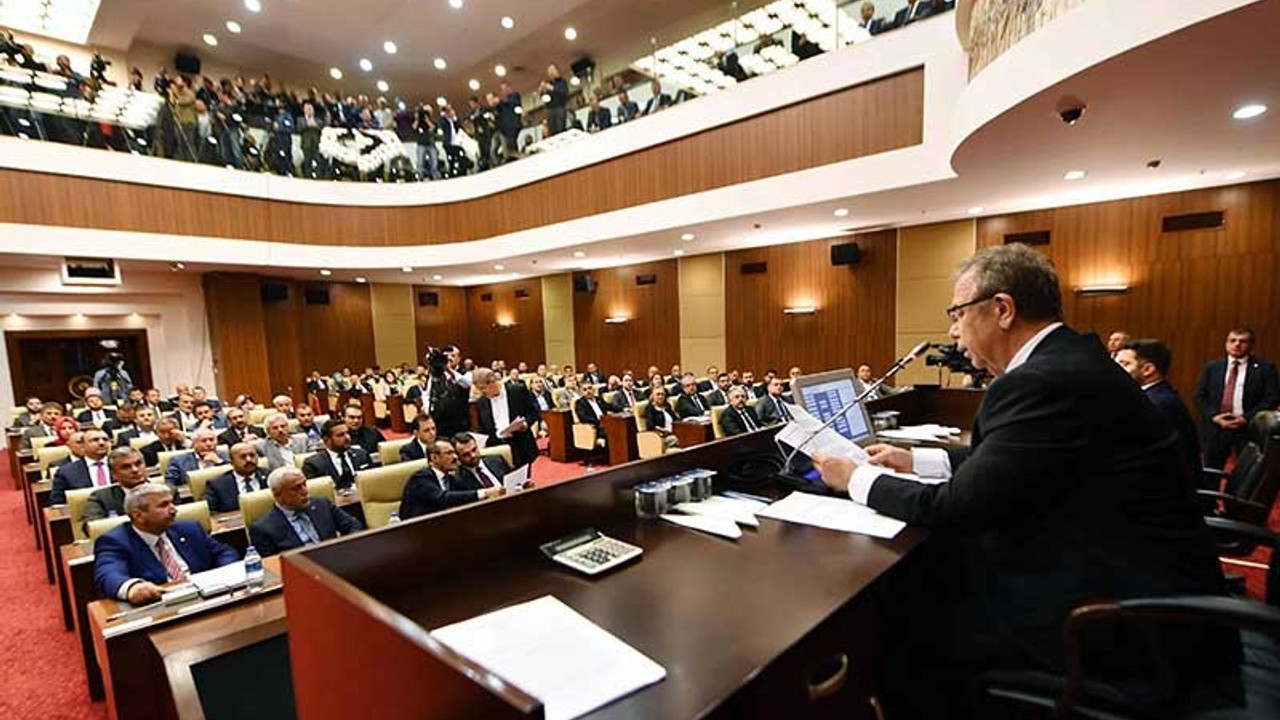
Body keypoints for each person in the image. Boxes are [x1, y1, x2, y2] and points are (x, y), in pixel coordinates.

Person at [813, 244, 1228, 717]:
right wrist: (915, 461)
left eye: (957, 313)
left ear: (1003, 309)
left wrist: (856, 478)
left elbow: (955, 509)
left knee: (905, 617)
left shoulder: (1041, 380)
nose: (953, 331)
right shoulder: (1073, 359)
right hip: (1143, 586)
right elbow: (1017, 462)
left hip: (1115, 621)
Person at [93, 483, 239, 603]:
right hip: (163, 604)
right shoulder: (115, 541)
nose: (173, 510)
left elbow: (223, 552)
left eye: (172, 503)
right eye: (163, 505)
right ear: (138, 515)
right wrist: (132, 587)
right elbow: (108, 574)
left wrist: (225, 574)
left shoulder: (189, 528)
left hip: (207, 595)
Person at [1193, 328, 1280, 471]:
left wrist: (1245, 418)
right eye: (1232, 341)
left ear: (1251, 345)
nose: (1237, 345)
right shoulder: (1212, 367)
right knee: (1211, 471)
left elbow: (1271, 398)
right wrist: (1215, 417)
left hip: (1247, 428)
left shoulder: (1265, 368)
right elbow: (1199, 395)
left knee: (1249, 472)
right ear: (1226, 344)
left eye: (1242, 341)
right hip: (1217, 427)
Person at [1116, 339, 1201, 482]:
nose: (1114, 369)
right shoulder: (1157, 395)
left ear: (1148, 369)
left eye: (1123, 364)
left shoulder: (1157, 404)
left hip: (1168, 492)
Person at [248, 467, 365, 557]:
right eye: (296, 488)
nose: (304, 491)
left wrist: (346, 549)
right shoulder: (262, 529)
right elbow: (273, 566)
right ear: (278, 495)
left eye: (304, 484)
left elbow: (354, 526)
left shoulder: (322, 504)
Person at [399, 440, 503, 519]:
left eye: (454, 452)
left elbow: (466, 497)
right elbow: (442, 498)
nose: (455, 457)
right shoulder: (421, 478)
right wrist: (485, 492)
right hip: (415, 531)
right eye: (449, 453)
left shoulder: (452, 480)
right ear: (434, 458)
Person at [473, 368, 539, 468]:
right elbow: (483, 427)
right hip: (497, 448)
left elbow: (533, 412)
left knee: (523, 480)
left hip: (519, 444)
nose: (481, 392)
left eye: (482, 388)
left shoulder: (517, 390)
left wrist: (525, 424)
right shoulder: (481, 402)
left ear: (492, 382)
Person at [83, 447, 150, 533]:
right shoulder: (101, 497)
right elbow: (92, 527)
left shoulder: (165, 491)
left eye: (138, 464)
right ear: (113, 474)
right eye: (126, 467)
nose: (135, 470)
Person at [301, 419, 373, 489]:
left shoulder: (362, 455)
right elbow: (317, 493)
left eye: (347, 433)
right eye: (340, 435)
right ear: (326, 440)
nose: (347, 437)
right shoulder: (313, 464)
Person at [51, 428, 112, 503]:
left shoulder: (121, 465)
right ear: (83, 446)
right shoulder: (66, 472)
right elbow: (58, 503)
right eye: (95, 440)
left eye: (105, 439)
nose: (101, 443)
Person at [204, 443, 268, 513]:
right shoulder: (216, 485)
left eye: (252, 455)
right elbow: (209, 512)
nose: (249, 460)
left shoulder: (270, 476)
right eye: (243, 457)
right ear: (232, 461)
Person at [164, 428, 228, 487]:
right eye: (204, 441)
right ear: (194, 444)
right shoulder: (178, 461)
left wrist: (219, 462)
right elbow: (170, 484)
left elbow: (234, 477)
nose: (209, 444)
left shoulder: (225, 456)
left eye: (211, 440)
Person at [573, 381, 612, 447]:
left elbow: (610, 406)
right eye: (585, 390)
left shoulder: (598, 399)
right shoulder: (580, 403)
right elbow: (583, 417)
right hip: (595, 427)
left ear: (593, 389)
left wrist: (623, 408)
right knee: (613, 433)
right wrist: (599, 422)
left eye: (590, 388)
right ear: (582, 392)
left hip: (606, 424)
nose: (588, 391)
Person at [539, 65, 570, 135]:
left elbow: (565, 95)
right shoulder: (548, 84)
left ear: (556, 71)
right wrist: (542, 92)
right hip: (550, 109)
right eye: (549, 72)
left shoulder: (562, 82)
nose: (551, 73)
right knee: (552, 131)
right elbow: (545, 99)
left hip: (560, 108)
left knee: (560, 130)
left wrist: (552, 89)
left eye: (552, 71)